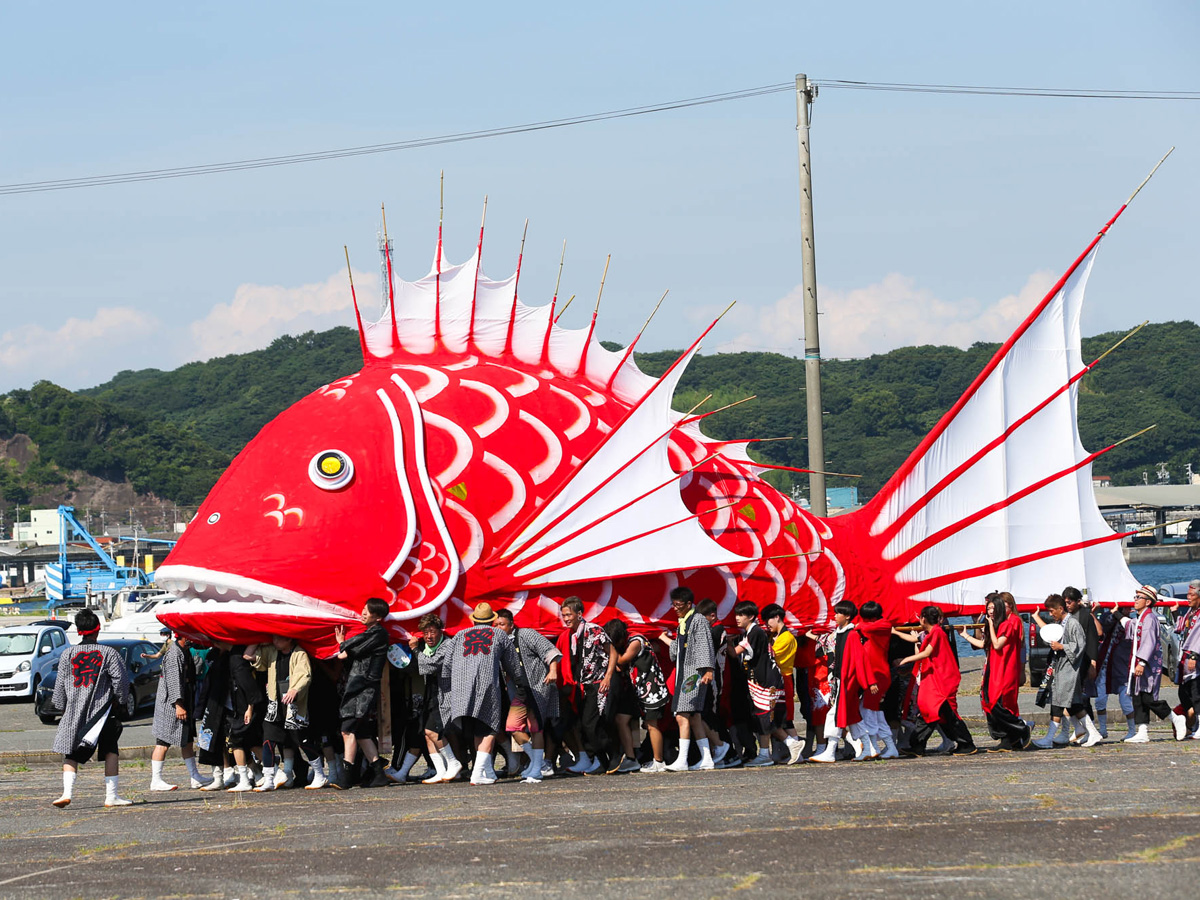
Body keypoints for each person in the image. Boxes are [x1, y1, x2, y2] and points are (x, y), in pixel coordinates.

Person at [51, 609, 133, 808]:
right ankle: (111, 796)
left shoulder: (67, 654)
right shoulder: (109, 653)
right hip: (102, 712)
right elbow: (121, 681)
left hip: (74, 712)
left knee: (71, 753)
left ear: (79, 630)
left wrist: (61, 708)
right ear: (98, 629)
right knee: (110, 750)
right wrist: (121, 701)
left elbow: (59, 685)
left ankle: (66, 793)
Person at [437, 602, 524, 785]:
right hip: (486, 687)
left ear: (474, 620)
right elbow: (513, 664)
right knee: (490, 729)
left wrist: (448, 691)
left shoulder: (459, 635)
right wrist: (520, 682)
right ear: (492, 620)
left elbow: (447, 665)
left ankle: (487, 772)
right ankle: (477, 773)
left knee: (478, 731)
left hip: (461, 692)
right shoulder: (498, 634)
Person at [495, 607, 562, 783]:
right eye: (496, 625)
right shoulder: (499, 643)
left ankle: (537, 770)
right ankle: (537, 762)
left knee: (535, 726)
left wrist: (553, 670)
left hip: (537, 685)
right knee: (513, 727)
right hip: (520, 690)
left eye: (502, 624)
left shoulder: (526, 634)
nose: (499, 628)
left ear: (511, 624)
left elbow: (549, 650)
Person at [897, 606, 977, 755]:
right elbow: (917, 640)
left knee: (946, 714)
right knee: (930, 711)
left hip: (942, 680)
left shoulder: (937, 632)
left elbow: (927, 652)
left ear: (923, 619)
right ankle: (917, 745)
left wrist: (907, 659)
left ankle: (966, 743)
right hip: (936, 679)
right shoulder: (930, 633)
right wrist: (895, 632)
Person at [660, 587, 723, 772]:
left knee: (682, 714)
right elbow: (678, 650)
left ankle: (682, 759)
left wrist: (708, 670)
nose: (675, 608)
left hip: (694, 674)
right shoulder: (683, 622)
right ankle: (707, 758)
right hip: (685, 672)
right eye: (673, 605)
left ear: (688, 604)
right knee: (694, 716)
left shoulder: (698, 620)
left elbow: (705, 645)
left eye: (678, 605)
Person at [333, 598, 391, 789]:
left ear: (378, 617)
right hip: (358, 687)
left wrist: (343, 644)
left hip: (364, 689)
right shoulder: (369, 633)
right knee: (362, 733)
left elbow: (356, 650)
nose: (363, 613)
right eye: (364, 609)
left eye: (368, 611)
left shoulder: (379, 634)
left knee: (347, 729)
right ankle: (379, 774)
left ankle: (346, 778)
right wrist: (344, 646)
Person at [250, 635, 321, 791]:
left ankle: (319, 773)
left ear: (289, 640)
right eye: (274, 638)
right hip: (275, 705)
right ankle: (269, 779)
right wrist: (257, 638)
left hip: (293, 705)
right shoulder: (271, 651)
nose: (275, 641)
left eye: (279, 638)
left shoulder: (299, 653)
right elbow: (249, 656)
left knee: (302, 741)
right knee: (268, 741)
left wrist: (295, 689)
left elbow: (305, 675)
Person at [557, 597, 618, 775]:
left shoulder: (594, 630)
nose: (566, 619)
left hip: (598, 683)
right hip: (582, 686)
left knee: (591, 724)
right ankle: (597, 760)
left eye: (568, 615)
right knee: (583, 725)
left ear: (579, 614)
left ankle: (610, 756)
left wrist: (608, 677)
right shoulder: (571, 635)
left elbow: (613, 652)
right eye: (563, 615)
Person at [962, 595, 1030, 750]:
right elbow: (985, 644)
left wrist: (991, 626)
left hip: (1004, 669)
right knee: (989, 702)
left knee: (997, 703)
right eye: (988, 608)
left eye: (993, 608)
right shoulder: (999, 624)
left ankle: (1020, 727)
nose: (990, 611)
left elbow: (998, 644)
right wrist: (965, 635)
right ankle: (1010, 739)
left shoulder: (1009, 623)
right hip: (994, 667)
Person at [1124, 585, 1187, 744]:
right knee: (1138, 697)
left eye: (1139, 598)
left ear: (1147, 602)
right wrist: (1116, 614)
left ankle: (1175, 718)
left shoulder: (1150, 619)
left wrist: (1142, 662)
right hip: (1138, 662)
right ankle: (1142, 731)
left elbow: (1149, 642)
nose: (1135, 600)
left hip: (1147, 664)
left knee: (1149, 697)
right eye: (1135, 597)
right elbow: (1129, 626)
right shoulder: (1140, 617)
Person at [149, 633, 211, 790]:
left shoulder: (185, 650)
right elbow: (173, 681)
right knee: (163, 742)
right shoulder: (174, 652)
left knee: (187, 740)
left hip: (185, 699)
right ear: (184, 636)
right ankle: (156, 780)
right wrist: (178, 704)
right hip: (171, 704)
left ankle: (195, 777)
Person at [412, 613, 464, 784]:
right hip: (431, 693)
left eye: (432, 632)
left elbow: (430, 664)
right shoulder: (426, 648)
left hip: (445, 695)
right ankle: (441, 771)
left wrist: (415, 650)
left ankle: (453, 762)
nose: (428, 636)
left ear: (440, 631)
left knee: (434, 731)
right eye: (425, 633)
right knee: (427, 734)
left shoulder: (447, 645)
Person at [1030, 594, 1087, 748]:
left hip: (1069, 668)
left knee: (1059, 702)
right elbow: (1048, 633)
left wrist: (1062, 647)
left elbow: (1080, 645)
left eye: (1051, 611)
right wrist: (1036, 617)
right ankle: (1086, 730)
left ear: (1060, 609)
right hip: (1060, 667)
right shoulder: (1061, 623)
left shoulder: (1073, 623)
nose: (1050, 614)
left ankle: (1049, 738)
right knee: (1070, 703)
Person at [731, 600, 783, 767]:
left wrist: (725, 639)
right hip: (760, 680)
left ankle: (769, 752)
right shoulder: (751, 633)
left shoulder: (755, 632)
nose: (737, 618)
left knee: (764, 718)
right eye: (736, 614)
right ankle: (790, 744)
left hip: (765, 680)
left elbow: (734, 653)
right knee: (763, 717)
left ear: (751, 616)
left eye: (741, 615)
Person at [808, 600, 860, 763]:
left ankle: (832, 750)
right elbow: (823, 641)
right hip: (837, 680)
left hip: (847, 680)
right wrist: (808, 633)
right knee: (849, 718)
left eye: (838, 613)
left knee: (835, 715)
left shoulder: (853, 634)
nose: (835, 616)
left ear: (848, 616)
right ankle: (862, 745)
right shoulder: (837, 634)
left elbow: (858, 660)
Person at [760, 603, 807, 764]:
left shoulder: (786, 637)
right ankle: (795, 752)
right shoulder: (776, 636)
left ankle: (796, 749)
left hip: (783, 678)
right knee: (783, 719)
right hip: (779, 678)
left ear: (777, 617)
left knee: (784, 718)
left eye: (768, 620)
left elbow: (771, 655)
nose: (767, 625)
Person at [853, 601, 898, 760]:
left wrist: (858, 625)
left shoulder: (884, 624)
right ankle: (889, 747)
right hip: (872, 673)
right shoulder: (875, 625)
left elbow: (864, 628)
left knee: (868, 711)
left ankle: (873, 747)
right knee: (874, 712)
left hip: (878, 674)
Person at [1095, 607, 1135, 739]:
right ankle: (1102, 729)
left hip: (1123, 666)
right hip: (1105, 665)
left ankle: (1132, 730)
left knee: (1126, 701)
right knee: (1100, 699)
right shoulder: (1108, 616)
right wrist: (1115, 613)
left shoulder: (1133, 621)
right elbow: (1104, 626)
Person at [1173, 579, 1200, 738]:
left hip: (1195, 657)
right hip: (1185, 657)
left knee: (1197, 693)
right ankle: (1193, 725)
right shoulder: (1191, 612)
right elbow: (1181, 628)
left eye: (1191, 595)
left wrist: (1194, 655)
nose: (1188, 598)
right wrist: (1175, 613)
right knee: (1184, 694)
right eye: (1188, 595)